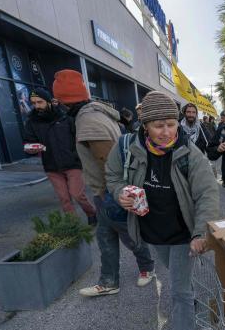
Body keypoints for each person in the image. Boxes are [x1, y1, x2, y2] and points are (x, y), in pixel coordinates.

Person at [106, 91, 219, 330]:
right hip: (151, 232)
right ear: (145, 126)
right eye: (159, 126)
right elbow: (112, 177)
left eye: (172, 123)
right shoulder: (125, 148)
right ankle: (188, 298)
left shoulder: (189, 153)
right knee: (174, 275)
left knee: (179, 291)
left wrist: (200, 232)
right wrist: (120, 194)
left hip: (183, 234)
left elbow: (207, 194)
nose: (167, 131)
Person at [52, 69, 156, 295]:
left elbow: (107, 160)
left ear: (64, 101)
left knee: (127, 232)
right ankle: (109, 281)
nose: (55, 106)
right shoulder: (93, 114)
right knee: (105, 234)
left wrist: (112, 194)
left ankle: (146, 267)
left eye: (57, 101)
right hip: (106, 190)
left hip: (109, 190)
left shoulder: (88, 120)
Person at [23, 88, 96, 224]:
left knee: (77, 194)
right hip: (51, 166)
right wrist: (30, 148)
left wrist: (80, 156)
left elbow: (78, 138)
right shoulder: (32, 122)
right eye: (33, 103)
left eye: (40, 102)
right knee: (64, 198)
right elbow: (28, 142)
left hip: (72, 163)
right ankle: (74, 225)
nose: (37, 106)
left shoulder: (65, 118)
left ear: (49, 102)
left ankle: (91, 213)